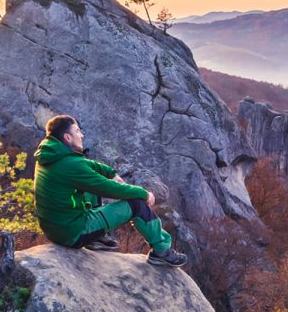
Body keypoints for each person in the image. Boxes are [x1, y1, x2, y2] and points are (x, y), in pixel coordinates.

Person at [33, 114, 188, 267]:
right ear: (67, 137)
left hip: (56, 228)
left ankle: (95, 239)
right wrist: (143, 193)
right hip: (72, 232)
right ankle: (162, 252)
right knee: (136, 204)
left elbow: (86, 165)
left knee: (89, 184)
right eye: (78, 131)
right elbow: (108, 188)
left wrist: (110, 172)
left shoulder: (51, 156)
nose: (82, 135)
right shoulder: (70, 166)